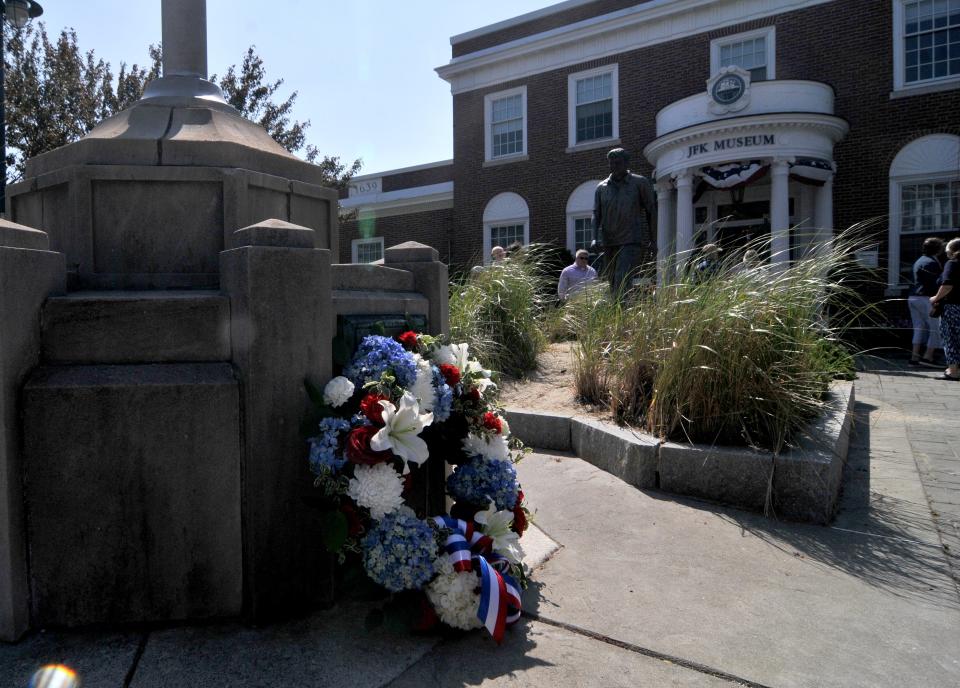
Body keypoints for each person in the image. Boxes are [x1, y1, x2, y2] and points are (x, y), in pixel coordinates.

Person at [593, 148, 657, 296]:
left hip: (630, 240)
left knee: (622, 278)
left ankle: (620, 314)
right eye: (611, 163)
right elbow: (596, 214)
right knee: (612, 281)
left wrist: (653, 240)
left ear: (626, 163)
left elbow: (651, 212)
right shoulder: (601, 188)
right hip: (609, 242)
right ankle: (618, 314)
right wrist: (595, 237)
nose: (614, 166)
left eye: (618, 162)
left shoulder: (639, 183)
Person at [908, 237, 944, 367]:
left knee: (919, 328)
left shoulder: (919, 261)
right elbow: (937, 283)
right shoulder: (932, 262)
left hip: (913, 297)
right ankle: (928, 357)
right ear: (938, 249)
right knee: (936, 329)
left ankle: (914, 358)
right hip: (926, 298)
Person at [930, 237, 960, 381]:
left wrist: (935, 298)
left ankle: (953, 371)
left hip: (952, 307)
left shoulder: (952, 264)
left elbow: (947, 285)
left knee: (950, 338)